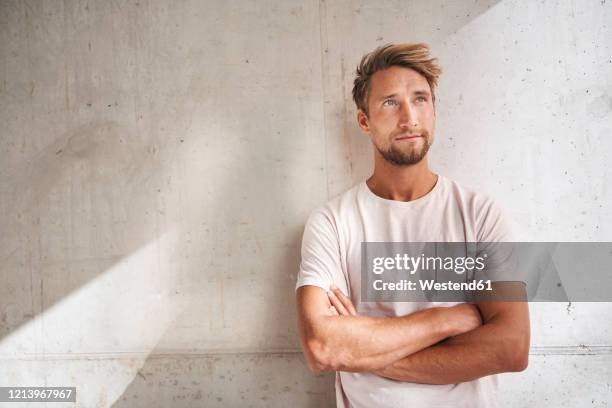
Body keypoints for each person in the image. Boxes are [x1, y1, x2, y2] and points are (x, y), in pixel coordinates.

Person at [295, 43, 530, 408]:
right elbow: (322, 347)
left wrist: (363, 349)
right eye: (390, 102)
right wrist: (448, 319)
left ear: (434, 111)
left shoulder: (480, 214)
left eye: (420, 99)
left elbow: (512, 348)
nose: (409, 118)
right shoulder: (333, 222)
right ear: (364, 120)